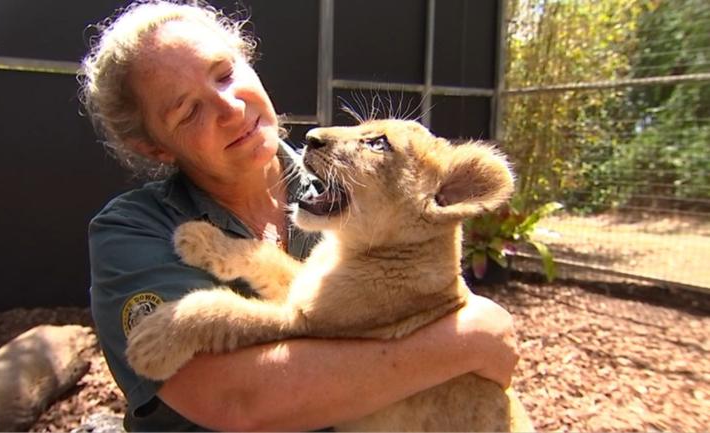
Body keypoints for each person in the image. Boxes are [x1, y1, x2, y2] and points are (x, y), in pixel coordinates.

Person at [81, 1, 520, 431]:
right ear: (155, 147)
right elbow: (237, 401)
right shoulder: (132, 232)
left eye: (226, 73)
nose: (231, 108)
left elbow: (312, 308)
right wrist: (460, 344)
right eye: (189, 110)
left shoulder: (346, 204)